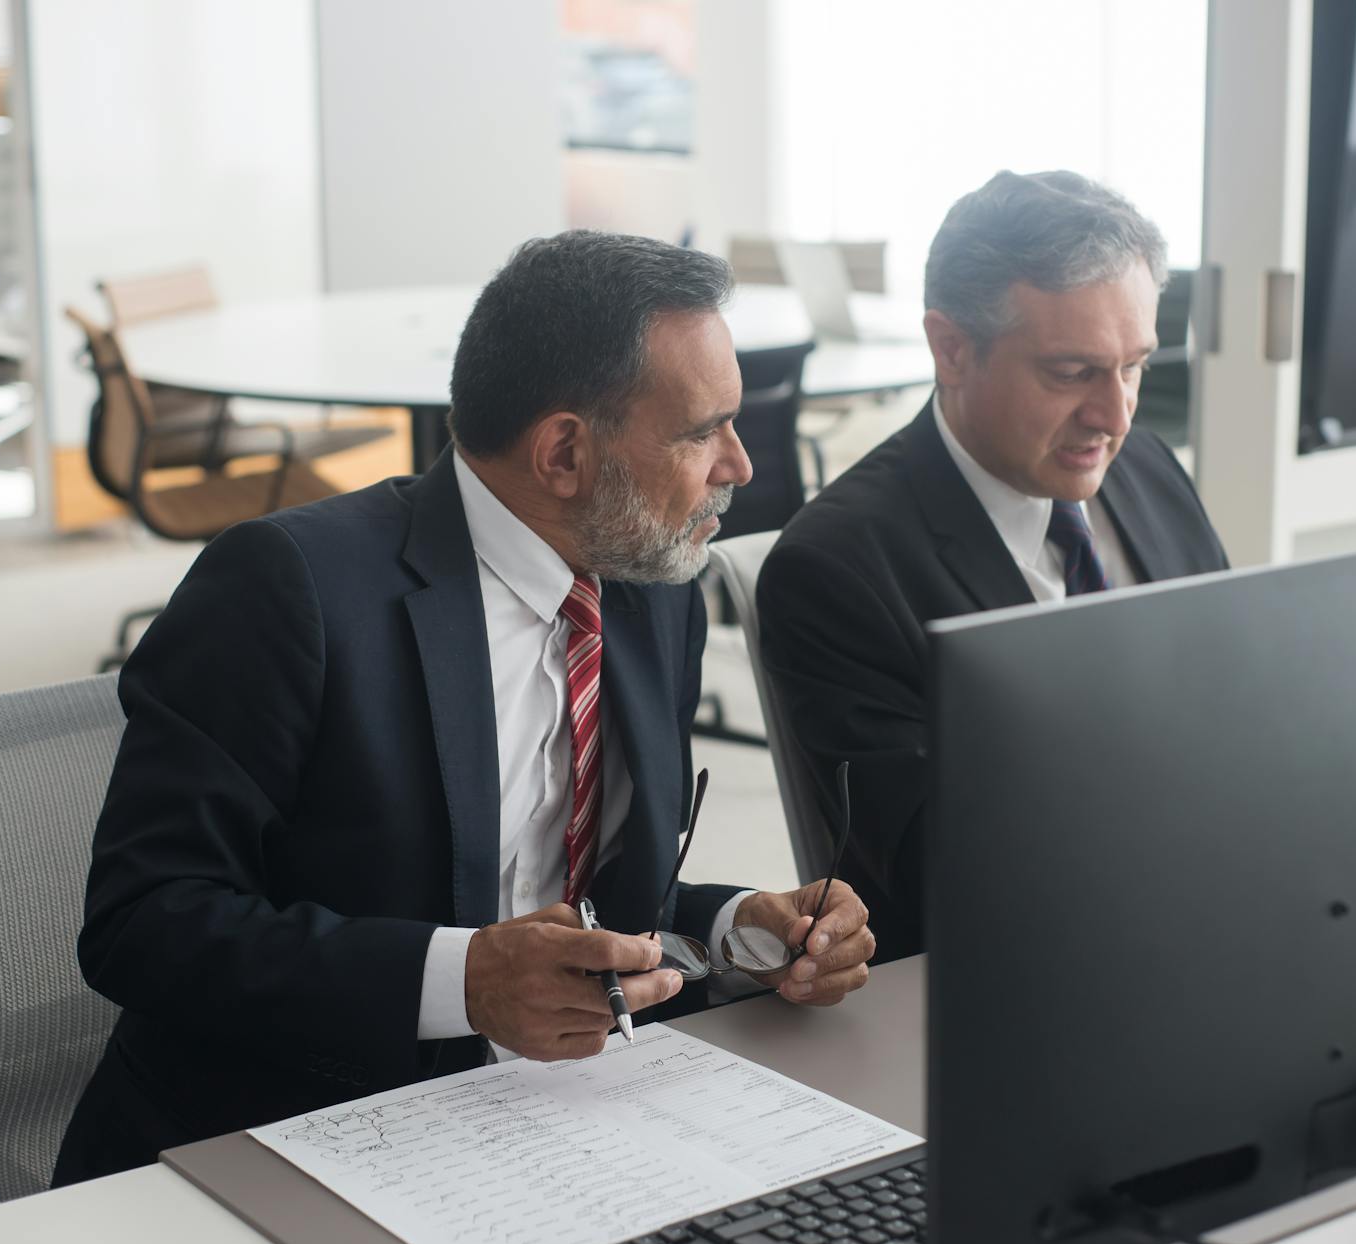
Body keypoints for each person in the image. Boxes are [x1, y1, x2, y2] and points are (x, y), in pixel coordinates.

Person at [54, 231, 877, 1185]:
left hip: (550, 1121)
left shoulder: (655, 583)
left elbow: (578, 895)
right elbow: (144, 923)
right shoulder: (289, 590)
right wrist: (465, 985)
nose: (738, 464)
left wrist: (742, 928)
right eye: (702, 431)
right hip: (290, 1136)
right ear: (564, 451)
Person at [756, 171, 1229, 960]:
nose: (1114, 417)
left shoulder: (1147, 471)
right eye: (1071, 372)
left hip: (1216, 924)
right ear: (951, 349)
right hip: (1033, 976)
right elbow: (947, 876)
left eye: (1135, 366)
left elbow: (1237, 703)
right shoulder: (838, 570)